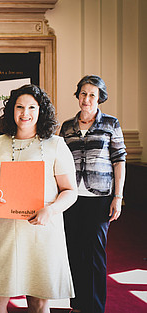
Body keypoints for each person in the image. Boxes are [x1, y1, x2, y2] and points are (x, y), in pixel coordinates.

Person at [0, 84, 78, 313]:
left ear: (41, 111)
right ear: (11, 111)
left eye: (32, 107)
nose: (25, 113)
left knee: (38, 301)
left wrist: (50, 211)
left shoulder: (55, 144)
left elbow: (70, 191)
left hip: (42, 229)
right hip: (6, 229)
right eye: (20, 107)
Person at [59, 75, 126, 313]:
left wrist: (118, 197)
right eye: (83, 93)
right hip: (71, 197)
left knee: (95, 253)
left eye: (92, 95)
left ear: (100, 98)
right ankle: (77, 305)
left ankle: (95, 308)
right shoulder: (67, 127)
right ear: (77, 95)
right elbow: (59, 161)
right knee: (74, 251)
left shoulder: (111, 123)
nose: (87, 99)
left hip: (100, 198)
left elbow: (119, 161)